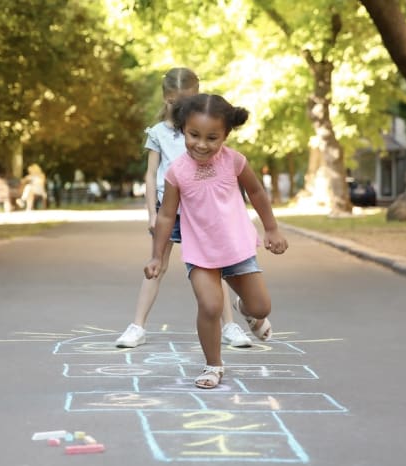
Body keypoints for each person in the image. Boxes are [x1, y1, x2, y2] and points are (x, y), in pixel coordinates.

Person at [144, 93, 289, 389]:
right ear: (183, 129)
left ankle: (246, 311)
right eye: (194, 135)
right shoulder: (177, 172)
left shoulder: (234, 161)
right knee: (210, 306)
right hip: (201, 253)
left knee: (261, 307)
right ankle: (213, 365)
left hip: (237, 248)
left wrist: (272, 229)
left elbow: (257, 193)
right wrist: (157, 256)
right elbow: (166, 215)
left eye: (212, 137)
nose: (201, 144)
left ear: (225, 135)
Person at [116, 68, 253, 349]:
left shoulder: (203, 129)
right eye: (177, 102)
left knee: (216, 267)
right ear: (166, 99)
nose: (182, 108)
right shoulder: (158, 133)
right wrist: (152, 214)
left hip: (202, 209)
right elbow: (151, 174)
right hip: (170, 208)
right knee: (157, 265)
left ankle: (230, 326)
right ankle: (137, 326)